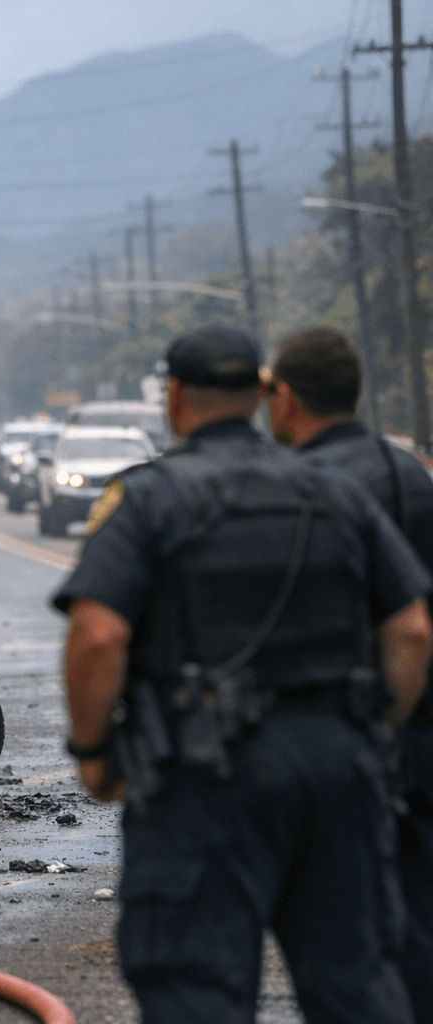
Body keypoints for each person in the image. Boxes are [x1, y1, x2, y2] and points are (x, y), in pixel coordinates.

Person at [54, 324, 432, 1024]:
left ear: (174, 398)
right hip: (337, 770)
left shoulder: (149, 498)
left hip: (205, 775)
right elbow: (411, 631)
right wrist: (371, 732)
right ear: (260, 394)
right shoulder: (335, 490)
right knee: (357, 984)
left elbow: (98, 635)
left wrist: (94, 752)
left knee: (197, 991)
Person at [267, 326, 433, 1024]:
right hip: (419, 737)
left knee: (343, 938)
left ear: (286, 397)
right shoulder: (411, 476)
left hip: (337, 739)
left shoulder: (299, 492)